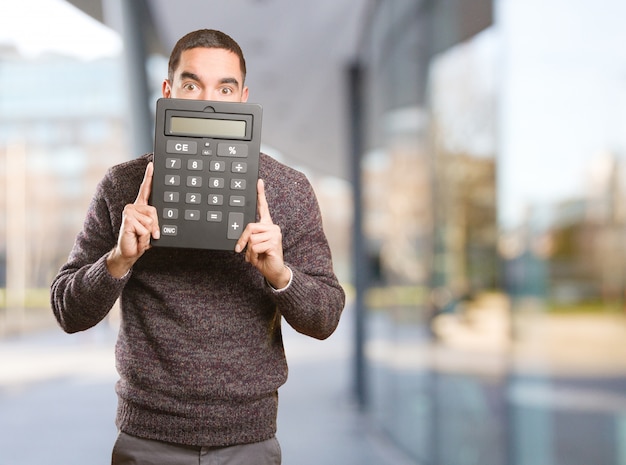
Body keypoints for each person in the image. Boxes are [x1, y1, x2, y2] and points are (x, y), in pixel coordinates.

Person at [50, 29, 345, 465]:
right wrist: (118, 260)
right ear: (169, 92)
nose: (209, 101)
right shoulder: (122, 186)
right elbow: (67, 311)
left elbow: (326, 317)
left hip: (249, 440)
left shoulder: (289, 190)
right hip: (146, 437)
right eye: (192, 85)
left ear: (243, 98)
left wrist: (281, 276)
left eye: (224, 88)